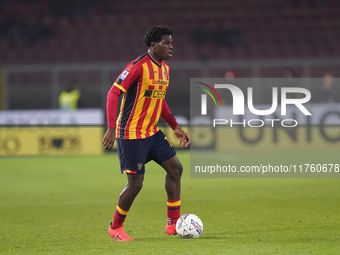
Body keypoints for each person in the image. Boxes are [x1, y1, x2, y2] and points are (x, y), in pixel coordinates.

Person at [102, 25, 190, 242]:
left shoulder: (165, 69)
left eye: (171, 42)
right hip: (131, 134)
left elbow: (159, 101)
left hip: (151, 132)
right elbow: (114, 93)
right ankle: (115, 227)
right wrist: (112, 128)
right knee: (136, 184)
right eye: (166, 42)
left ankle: (173, 225)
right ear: (154, 45)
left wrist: (174, 126)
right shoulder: (138, 66)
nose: (171, 47)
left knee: (176, 169)